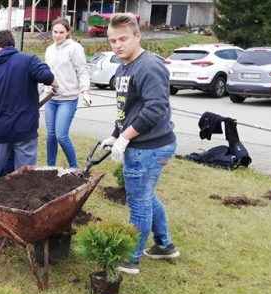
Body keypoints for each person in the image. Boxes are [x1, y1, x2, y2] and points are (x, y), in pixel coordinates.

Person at [100, 13, 179, 275]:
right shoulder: (125, 66)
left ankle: (131, 259)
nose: (117, 45)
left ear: (138, 36)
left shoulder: (148, 66)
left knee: (138, 202)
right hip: (143, 143)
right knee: (146, 196)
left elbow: (155, 109)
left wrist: (126, 137)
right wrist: (115, 134)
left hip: (149, 146)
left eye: (123, 39)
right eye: (112, 40)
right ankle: (165, 245)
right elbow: (128, 109)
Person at [0, 30, 60, 188]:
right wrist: (56, 85)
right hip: (25, 131)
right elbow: (47, 77)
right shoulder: (29, 60)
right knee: (25, 176)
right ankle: (23, 210)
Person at [43, 18, 91, 168]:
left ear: (68, 32)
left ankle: (74, 167)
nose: (57, 35)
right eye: (55, 32)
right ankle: (50, 167)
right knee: (50, 136)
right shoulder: (49, 49)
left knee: (61, 136)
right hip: (51, 97)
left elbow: (82, 71)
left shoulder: (74, 48)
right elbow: (46, 73)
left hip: (68, 99)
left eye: (61, 32)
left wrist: (85, 91)